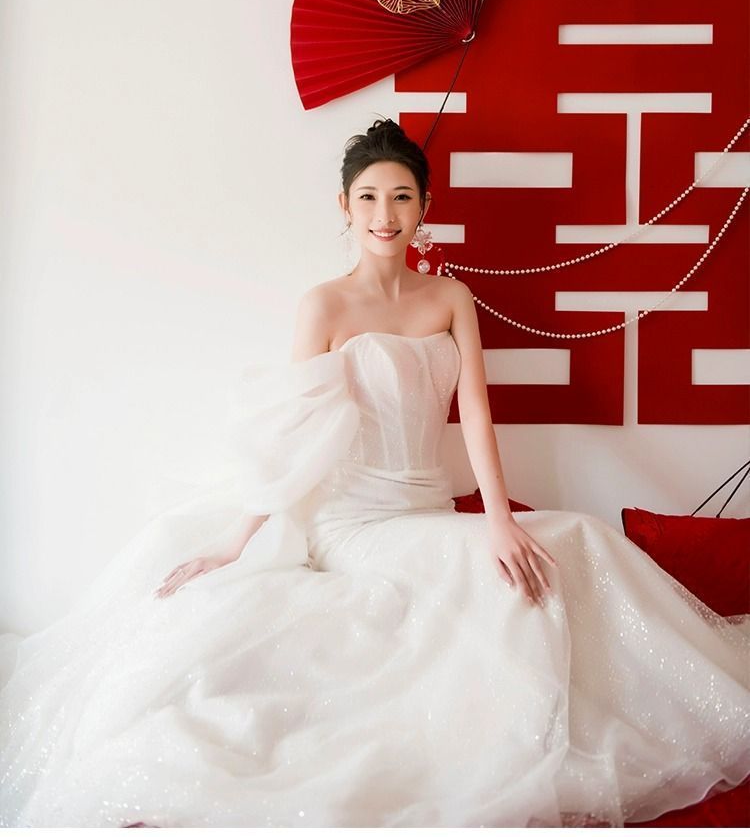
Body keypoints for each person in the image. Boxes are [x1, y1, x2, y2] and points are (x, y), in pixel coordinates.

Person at [0, 119, 748, 828]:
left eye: (400, 197)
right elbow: (293, 433)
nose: (385, 215)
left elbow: (476, 413)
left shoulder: (450, 297)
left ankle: (675, 705)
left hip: (429, 511)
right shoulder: (324, 305)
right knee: (504, 574)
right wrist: (236, 542)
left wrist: (497, 519)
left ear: (424, 205)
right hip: (352, 523)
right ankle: (515, 740)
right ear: (345, 207)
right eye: (368, 198)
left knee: (577, 536)